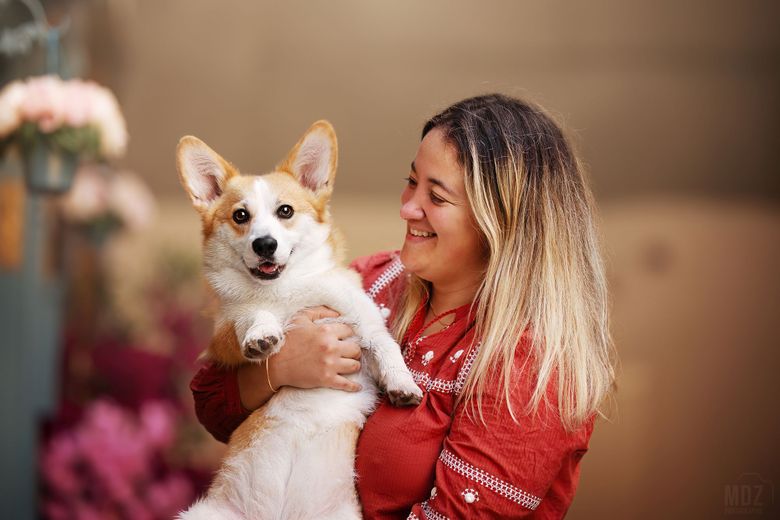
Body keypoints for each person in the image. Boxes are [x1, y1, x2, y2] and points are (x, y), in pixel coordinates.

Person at [190, 93, 616, 518]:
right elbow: (211, 402)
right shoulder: (374, 279)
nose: (408, 207)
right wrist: (279, 367)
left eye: (437, 197)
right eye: (412, 181)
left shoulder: (531, 364)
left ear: (500, 221)